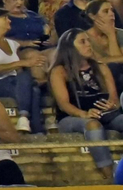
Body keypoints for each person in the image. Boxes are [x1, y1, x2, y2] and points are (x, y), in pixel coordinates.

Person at [49, 29, 123, 173]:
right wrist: (84, 114)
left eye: (88, 40)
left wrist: (111, 104)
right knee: (93, 125)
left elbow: (114, 97)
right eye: (83, 42)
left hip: (106, 114)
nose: (89, 45)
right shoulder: (60, 71)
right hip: (72, 117)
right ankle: (109, 174)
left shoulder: (101, 66)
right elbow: (63, 104)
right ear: (70, 47)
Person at [0, 9, 44, 133]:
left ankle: (26, 122)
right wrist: (23, 63)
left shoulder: (13, 44)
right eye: (5, 18)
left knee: (34, 88)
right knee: (31, 88)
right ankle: (35, 127)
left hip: (14, 82)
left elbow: (21, 74)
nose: (9, 20)